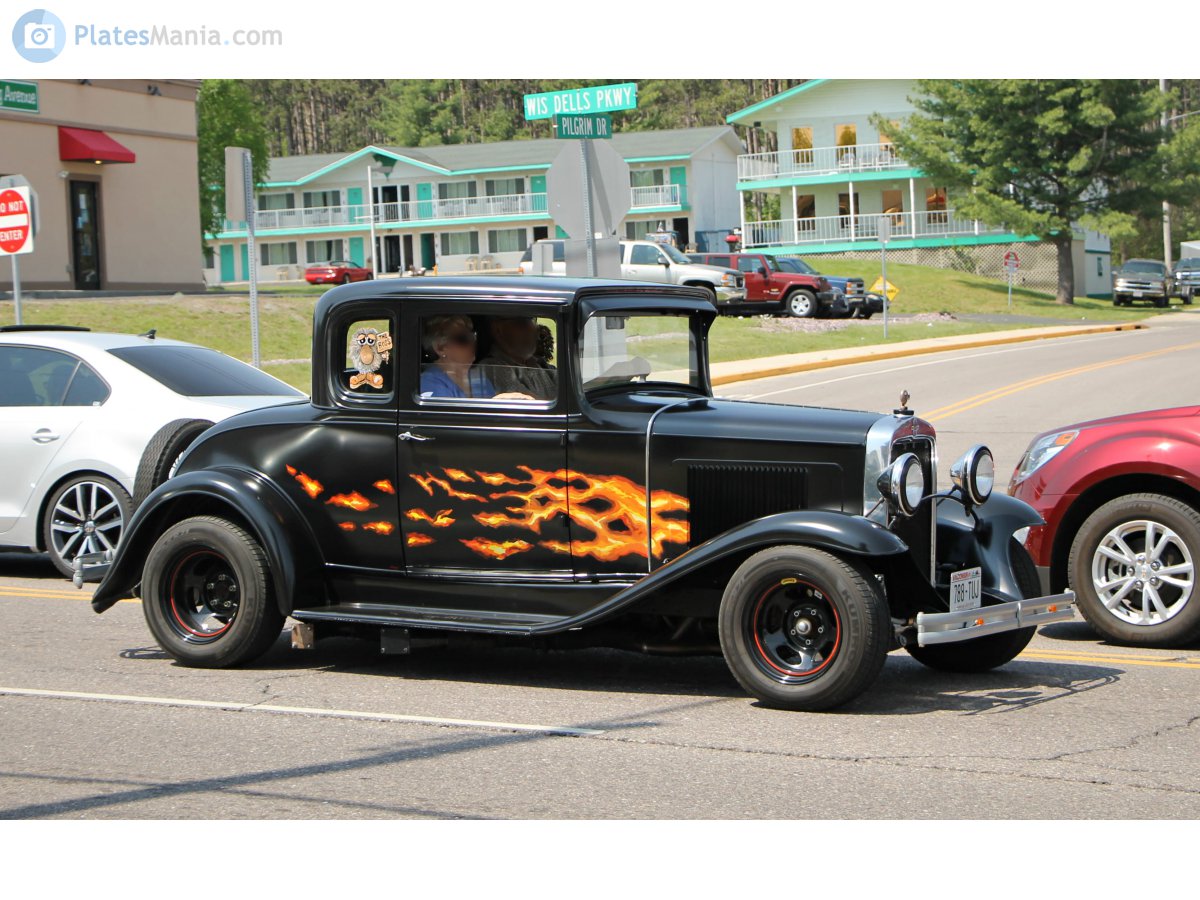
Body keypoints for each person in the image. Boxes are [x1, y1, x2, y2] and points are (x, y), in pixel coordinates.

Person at [478, 316, 557, 400]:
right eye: (522, 322)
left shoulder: (539, 363)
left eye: (532, 320)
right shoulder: (492, 368)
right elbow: (534, 405)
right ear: (497, 329)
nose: (533, 328)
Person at [418, 315, 496, 399]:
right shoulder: (429, 382)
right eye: (463, 339)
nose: (472, 343)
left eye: (473, 336)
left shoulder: (480, 379)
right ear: (440, 348)